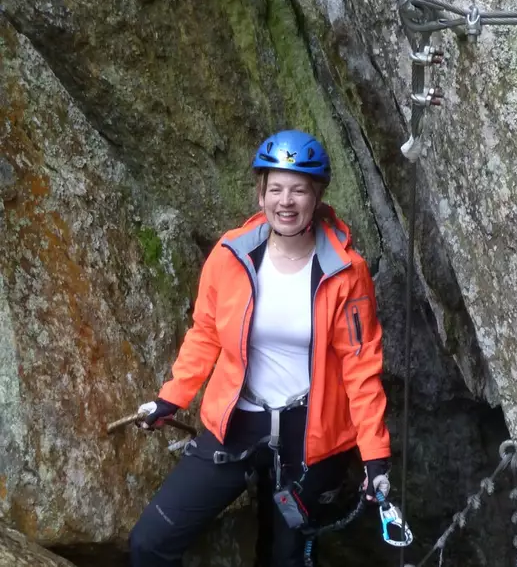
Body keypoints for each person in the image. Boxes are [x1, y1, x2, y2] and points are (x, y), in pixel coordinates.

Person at [128, 129, 392, 567]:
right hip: (237, 422)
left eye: (298, 189)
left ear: (317, 196)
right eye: (276, 189)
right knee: (150, 543)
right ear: (260, 193)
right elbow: (206, 332)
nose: (285, 201)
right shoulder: (230, 256)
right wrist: (170, 398)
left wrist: (375, 458)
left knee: (286, 559)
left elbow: (360, 367)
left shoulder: (346, 271)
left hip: (310, 434)